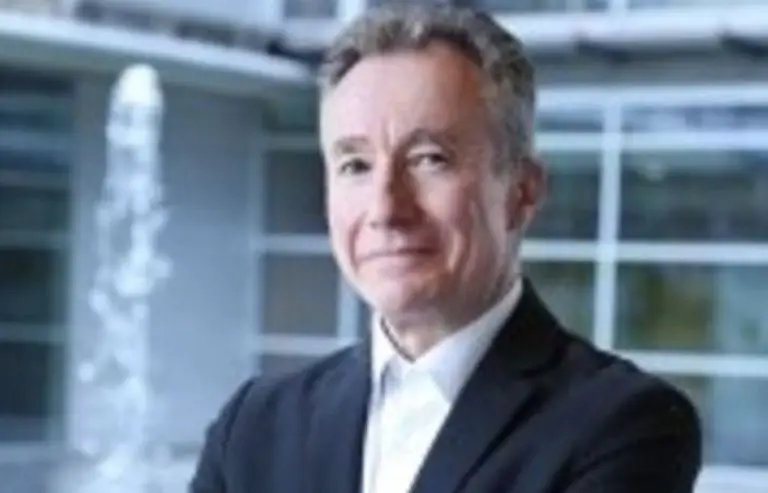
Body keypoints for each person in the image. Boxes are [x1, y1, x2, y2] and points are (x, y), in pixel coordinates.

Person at [190, 6, 702, 493]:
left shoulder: (622, 425)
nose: (385, 209)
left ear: (522, 192)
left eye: (430, 159)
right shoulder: (255, 427)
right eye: (355, 165)